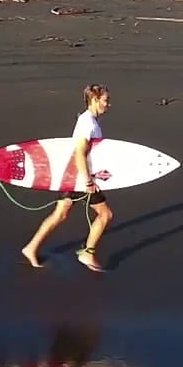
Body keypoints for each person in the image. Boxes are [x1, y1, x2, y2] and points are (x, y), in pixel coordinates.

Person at [21, 84, 114, 272]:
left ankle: (30, 248)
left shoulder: (90, 121)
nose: (108, 104)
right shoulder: (87, 123)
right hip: (81, 178)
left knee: (60, 214)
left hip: (73, 175)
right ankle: (88, 252)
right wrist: (88, 181)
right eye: (105, 100)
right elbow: (79, 153)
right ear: (94, 100)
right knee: (105, 215)